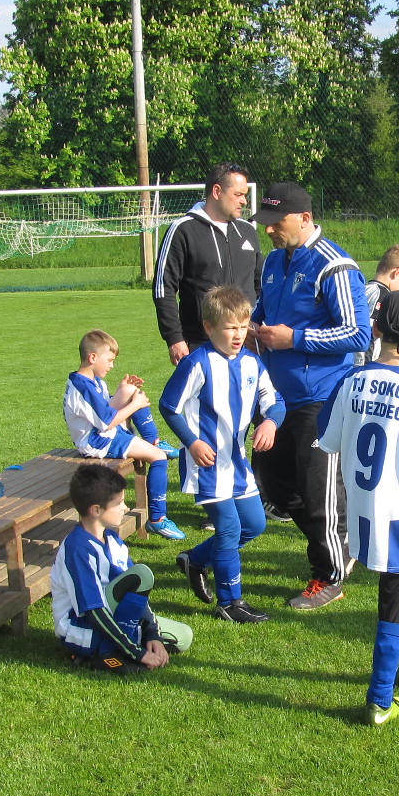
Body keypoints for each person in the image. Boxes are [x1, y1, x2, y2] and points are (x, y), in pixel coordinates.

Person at [318, 290, 399, 725]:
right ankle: (380, 699)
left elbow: (329, 440)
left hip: (361, 510)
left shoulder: (350, 381)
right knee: (393, 597)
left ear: (375, 329)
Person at [250, 181, 372, 609]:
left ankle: (330, 574)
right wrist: (249, 328)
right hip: (276, 398)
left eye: (275, 222)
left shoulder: (334, 266)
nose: (268, 230)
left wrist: (294, 339)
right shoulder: (273, 261)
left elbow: (357, 333)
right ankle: (342, 542)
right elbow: (264, 311)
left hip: (322, 396)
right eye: (265, 222)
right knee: (273, 485)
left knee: (319, 491)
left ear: (304, 218)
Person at [159, 286, 285, 624]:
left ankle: (196, 560)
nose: (238, 335)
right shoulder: (197, 363)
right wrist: (192, 442)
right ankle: (230, 602)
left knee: (254, 524)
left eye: (243, 326)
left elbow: (275, 401)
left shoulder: (252, 363)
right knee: (229, 528)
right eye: (230, 328)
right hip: (207, 463)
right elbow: (169, 406)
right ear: (209, 327)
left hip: (237, 462)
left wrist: (270, 422)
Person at [52, 463, 193, 672]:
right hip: (83, 626)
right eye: (118, 503)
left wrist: (152, 634)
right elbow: (94, 610)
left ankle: (127, 643)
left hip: (116, 615)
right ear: (96, 510)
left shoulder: (112, 539)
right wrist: (137, 653)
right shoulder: (77, 548)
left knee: (183, 637)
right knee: (141, 575)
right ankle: (106, 653)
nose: (125, 508)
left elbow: (137, 594)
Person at [62, 328, 185, 541]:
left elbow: (105, 410)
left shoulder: (90, 380)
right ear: (93, 358)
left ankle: (155, 441)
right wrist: (134, 404)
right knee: (158, 458)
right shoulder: (83, 387)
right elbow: (106, 422)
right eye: (109, 360)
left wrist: (123, 392)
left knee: (132, 392)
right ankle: (157, 519)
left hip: (102, 432)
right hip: (97, 442)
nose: (112, 365)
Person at [153, 162, 262, 366]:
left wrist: (254, 324)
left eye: (245, 195)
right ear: (217, 191)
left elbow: (259, 283)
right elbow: (163, 288)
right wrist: (174, 338)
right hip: (200, 344)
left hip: (245, 344)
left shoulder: (247, 231)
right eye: (238, 194)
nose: (244, 201)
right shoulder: (183, 230)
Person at [357, 244, 399, 365]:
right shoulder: (383, 296)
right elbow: (368, 332)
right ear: (397, 272)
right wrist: (367, 366)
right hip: (366, 365)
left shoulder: (363, 290)